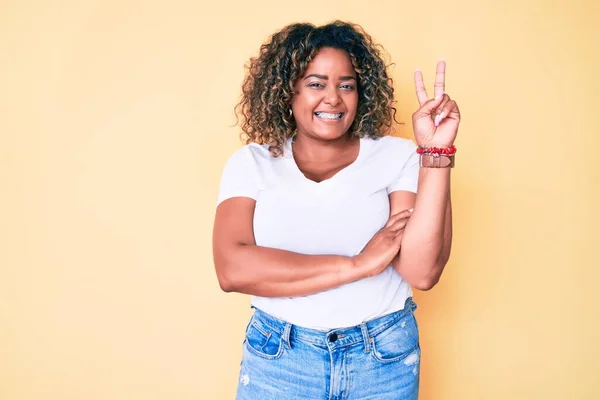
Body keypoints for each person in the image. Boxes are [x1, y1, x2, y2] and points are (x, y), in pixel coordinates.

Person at [212, 20, 460, 400]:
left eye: (347, 84)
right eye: (316, 83)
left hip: (382, 358)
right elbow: (233, 269)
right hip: (280, 358)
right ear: (287, 92)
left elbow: (422, 271)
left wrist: (435, 156)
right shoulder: (251, 163)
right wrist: (359, 264)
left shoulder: (399, 156)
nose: (333, 97)